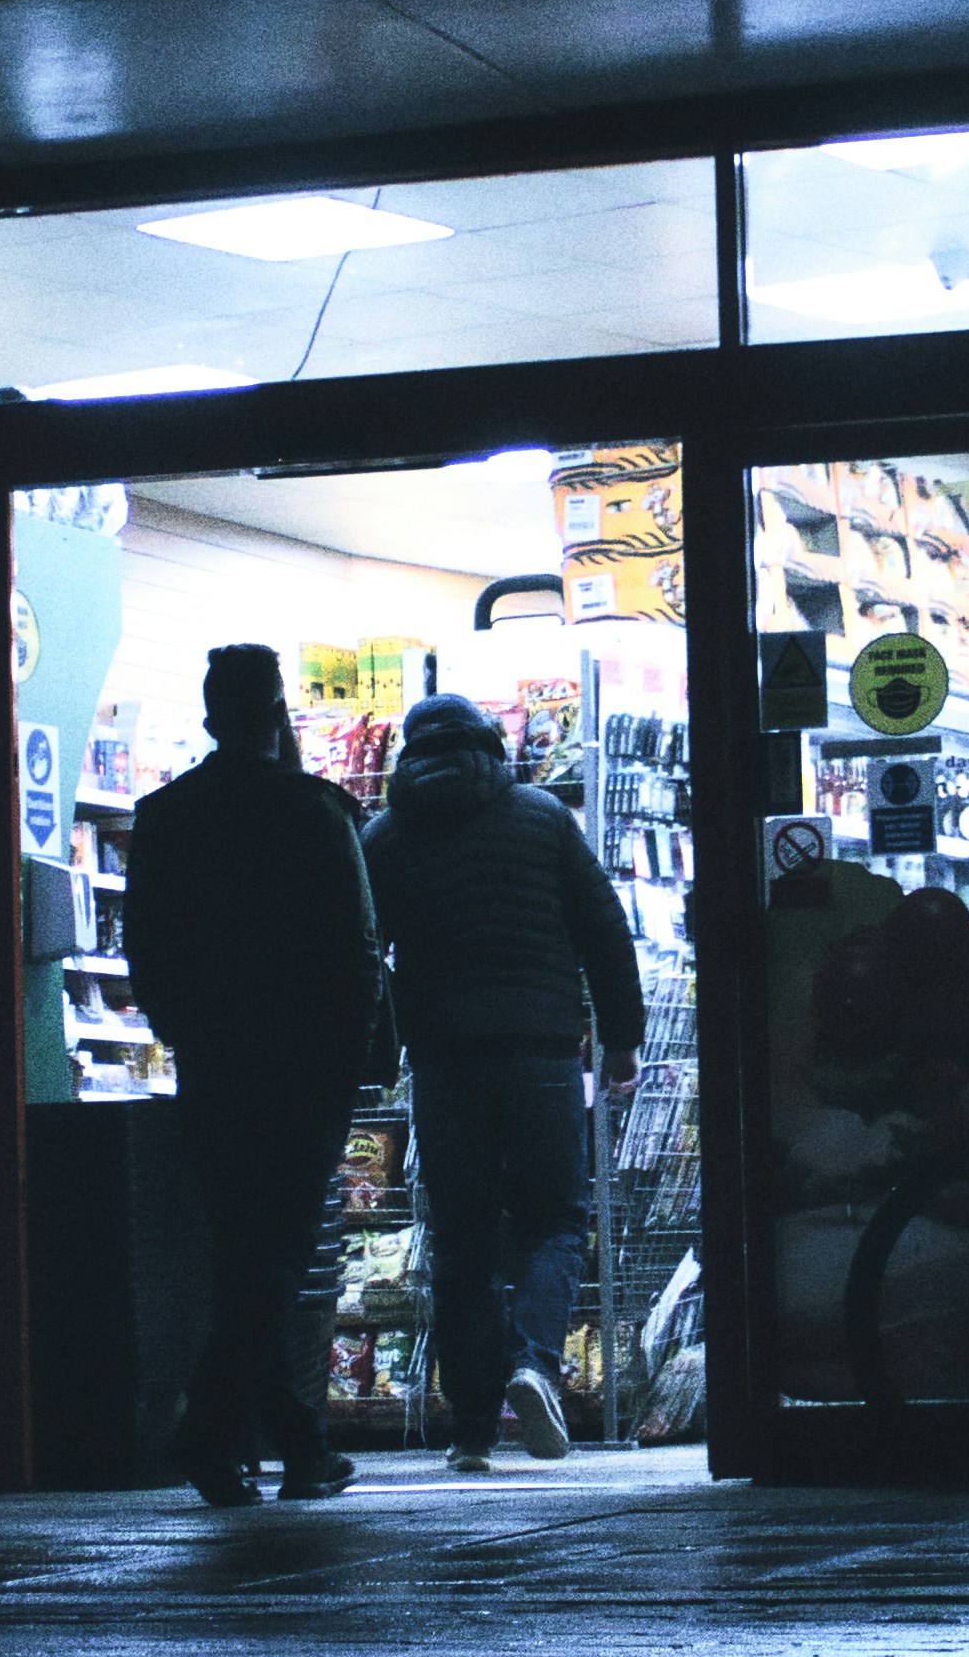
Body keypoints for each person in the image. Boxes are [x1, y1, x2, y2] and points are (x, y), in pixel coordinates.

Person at [122, 643, 386, 1506]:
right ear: (277, 713)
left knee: (246, 1251)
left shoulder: (166, 816)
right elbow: (356, 951)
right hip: (301, 1068)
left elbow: (147, 952)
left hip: (215, 1063)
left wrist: (183, 1030)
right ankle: (210, 1435)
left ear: (209, 718)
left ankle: (296, 1446)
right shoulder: (316, 812)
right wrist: (362, 1059)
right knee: (271, 1256)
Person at [363, 690, 643, 1470]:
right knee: (555, 1217)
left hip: (445, 1058)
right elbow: (603, 928)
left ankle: (471, 1432)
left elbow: (360, 951)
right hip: (542, 1049)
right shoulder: (542, 817)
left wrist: (377, 1047)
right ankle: (535, 1362)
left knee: (462, 1238)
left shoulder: (384, 835)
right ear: (492, 745)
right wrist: (622, 1039)